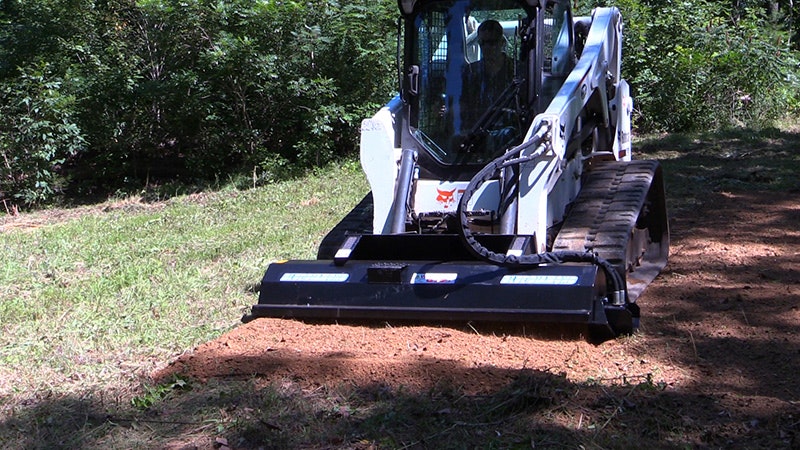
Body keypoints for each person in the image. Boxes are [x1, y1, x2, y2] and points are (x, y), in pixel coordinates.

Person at [461, 20, 514, 129]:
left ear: (502, 42)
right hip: (477, 135)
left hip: (510, 132)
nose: (486, 47)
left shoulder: (516, 70)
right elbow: (463, 107)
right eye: (482, 43)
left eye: (491, 42)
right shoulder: (470, 72)